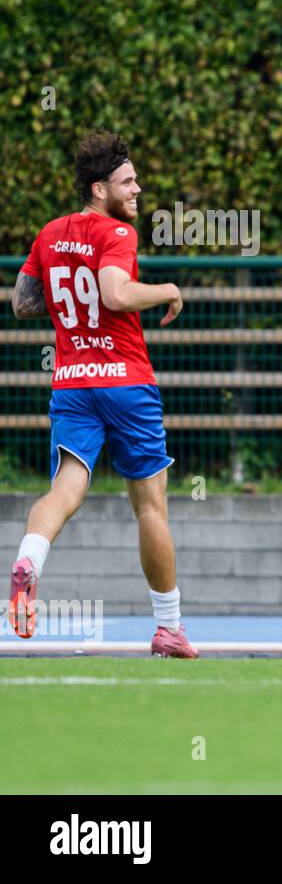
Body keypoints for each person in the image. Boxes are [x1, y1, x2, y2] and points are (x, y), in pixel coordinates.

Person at [8, 129, 196, 657]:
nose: (138, 189)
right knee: (151, 507)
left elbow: (23, 303)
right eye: (127, 181)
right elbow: (115, 292)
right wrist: (168, 289)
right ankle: (168, 628)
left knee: (67, 488)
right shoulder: (117, 233)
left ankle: (28, 561)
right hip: (126, 382)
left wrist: (71, 291)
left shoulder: (50, 233)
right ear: (98, 190)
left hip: (72, 383)